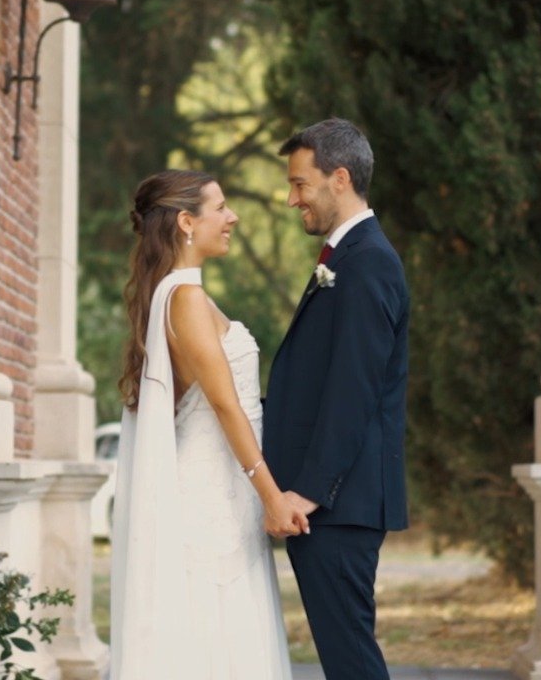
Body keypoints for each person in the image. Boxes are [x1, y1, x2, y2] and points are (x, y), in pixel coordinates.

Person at [109, 169, 300, 680]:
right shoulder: (186, 299)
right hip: (212, 495)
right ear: (188, 222)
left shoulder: (182, 294)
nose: (232, 216)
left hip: (219, 487)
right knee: (217, 636)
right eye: (221, 208)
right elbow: (225, 405)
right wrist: (272, 494)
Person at [265, 119, 410, 680]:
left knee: (351, 660)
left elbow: (355, 391)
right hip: (331, 502)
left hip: (338, 504)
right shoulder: (345, 258)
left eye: (300, 184)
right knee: (344, 657)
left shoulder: (367, 261)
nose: (290, 197)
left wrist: (307, 493)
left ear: (339, 178)